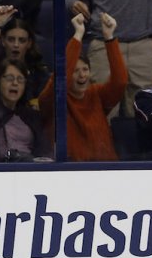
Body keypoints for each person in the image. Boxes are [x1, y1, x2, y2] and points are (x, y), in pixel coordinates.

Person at [38, 13, 127, 161]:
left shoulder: (97, 94)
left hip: (106, 171)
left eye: (85, 69)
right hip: (69, 173)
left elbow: (120, 82)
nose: (82, 75)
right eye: (75, 70)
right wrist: (78, 35)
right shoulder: (53, 100)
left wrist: (109, 38)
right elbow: (60, 81)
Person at [0, 7, 49, 115]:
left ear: (29, 43)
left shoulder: (39, 74)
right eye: (11, 39)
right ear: (2, 41)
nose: (16, 45)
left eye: (22, 40)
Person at [0, 58, 52, 162]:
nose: (15, 83)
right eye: (9, 78)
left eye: (20, 79)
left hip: (31, 172)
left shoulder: (33, 117)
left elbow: (44, 151)